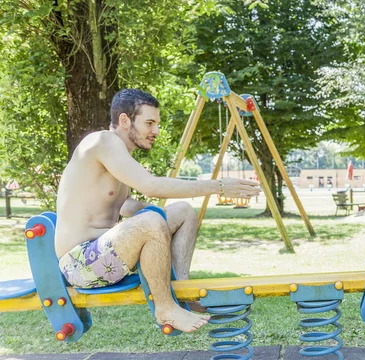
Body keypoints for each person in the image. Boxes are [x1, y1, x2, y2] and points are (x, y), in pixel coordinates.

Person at [55, 89, 261, 332]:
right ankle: (165, 308)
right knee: (151, 221)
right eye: (149, 123)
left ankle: (183, 291)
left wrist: (150, 212)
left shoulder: (120, 155)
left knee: (183, 212)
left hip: (106, 253)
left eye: (157, 124)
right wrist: (218, 186)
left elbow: (125, 205)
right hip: (80, 263)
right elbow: (151, 186)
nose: (156, 131)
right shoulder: (103, 142)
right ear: (124, 120)